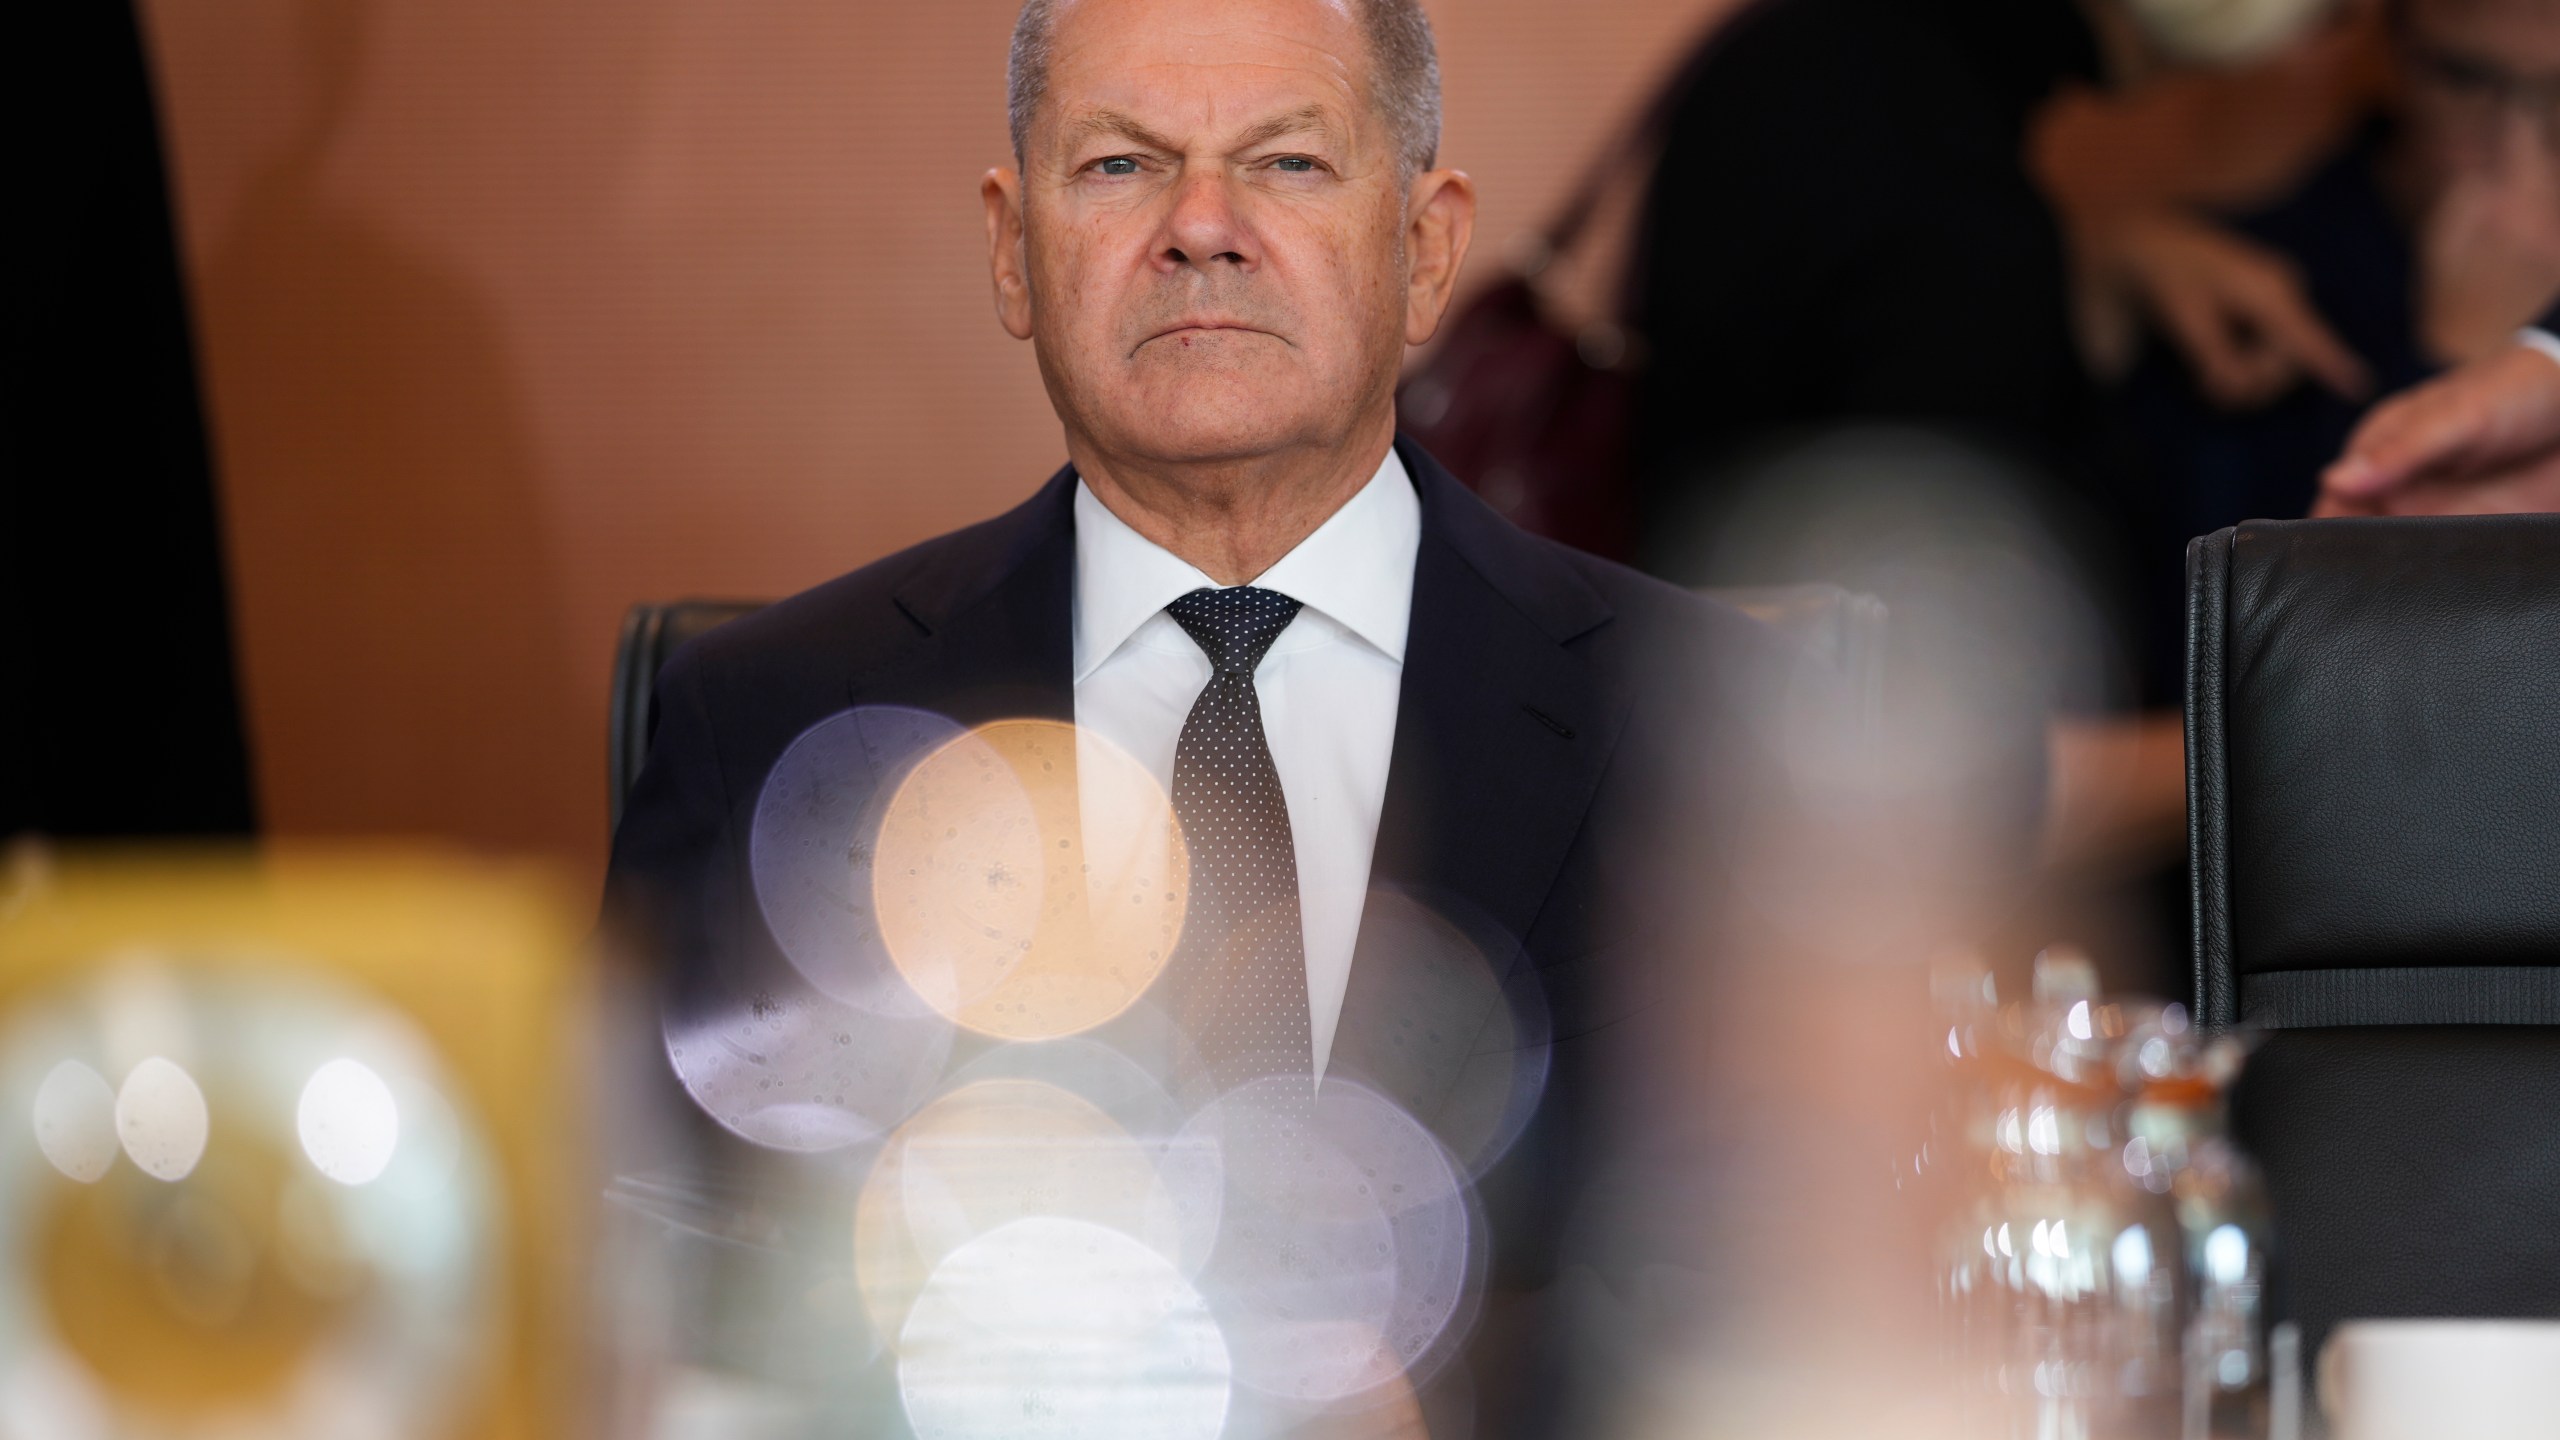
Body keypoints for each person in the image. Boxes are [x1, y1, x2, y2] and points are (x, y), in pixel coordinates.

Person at [603, 1, 1776, 1432]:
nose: (1201, 226)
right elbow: (664, 1304)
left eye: (1287, 164)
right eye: (1118, 167)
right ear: (1010, 246)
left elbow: (1793, 1286)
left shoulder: (1713, 731)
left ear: (1426, 249)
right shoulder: (768, 724)